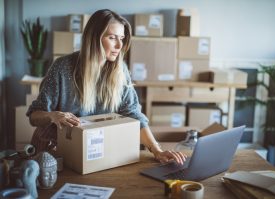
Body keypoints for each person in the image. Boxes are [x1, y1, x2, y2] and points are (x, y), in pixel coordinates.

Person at [27, 9, 186, 165]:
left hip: (92, 152)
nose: (119, 45)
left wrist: (157, 150)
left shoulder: (120, 70)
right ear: (94, 38)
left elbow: (133, 114)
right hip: (52, 153)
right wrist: (53, 115)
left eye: (122, 38)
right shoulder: (62, 67)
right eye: (112, 38)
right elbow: (34, 115)